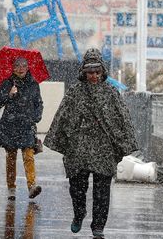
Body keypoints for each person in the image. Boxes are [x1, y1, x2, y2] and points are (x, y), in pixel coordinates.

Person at [43, 48, 138, 239]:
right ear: (84, 72)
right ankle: (79, 213)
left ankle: (98, 227)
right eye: (90, 72)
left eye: (97, 72)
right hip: (80, 147)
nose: (93, 76)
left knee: (102, 191)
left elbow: (122, 118)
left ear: (102, 71)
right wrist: (66, 138)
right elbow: (63, 117)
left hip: (103, 148)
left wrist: (123, 142)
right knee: (77, 187)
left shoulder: (111, 92)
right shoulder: (75, 92)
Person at [0, 57, 43, 201]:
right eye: (17, 65)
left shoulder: (33, 84)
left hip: (27, 125)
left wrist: (36, 116)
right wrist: (8, 95)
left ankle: (32, 186)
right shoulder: (7, 83)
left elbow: (38, 103)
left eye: (24, 65)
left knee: (29, 156)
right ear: (13, 68)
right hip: (10, 125)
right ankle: (11, 188)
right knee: (11, 158)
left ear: (28, 67)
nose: (21, 68)